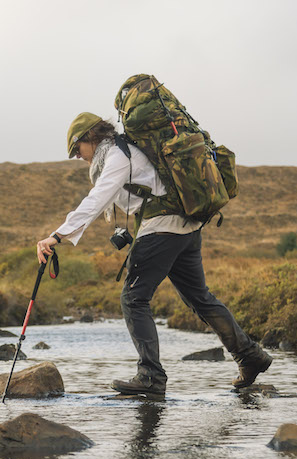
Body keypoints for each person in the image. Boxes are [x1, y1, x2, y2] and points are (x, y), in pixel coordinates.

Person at [36, 112, 271, 400]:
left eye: (76, 149)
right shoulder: (123, 152)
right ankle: (250, 357)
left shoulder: (118, 156)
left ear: (90, 138)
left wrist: (57, 235)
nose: (76, 156)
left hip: (162, 229)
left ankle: (151, 376)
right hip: (185, 229)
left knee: (133, 298)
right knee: (200, 298)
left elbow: (97, 199)